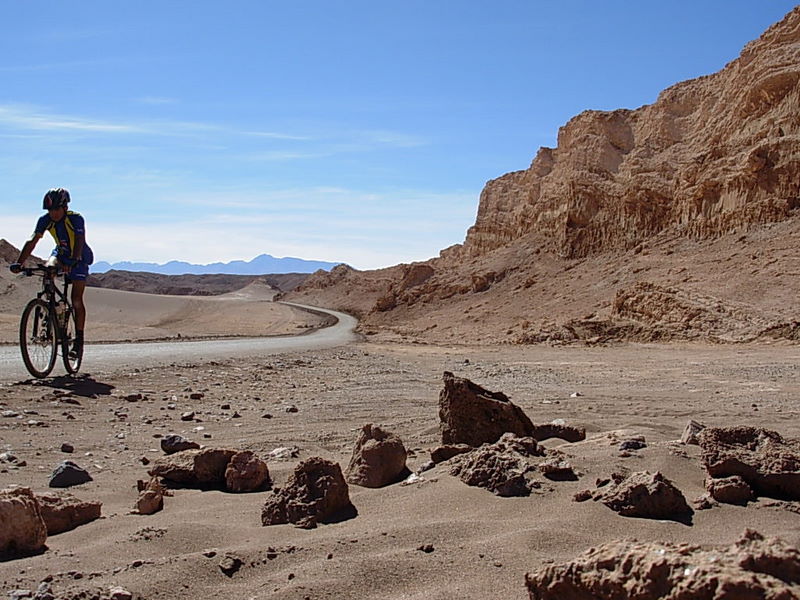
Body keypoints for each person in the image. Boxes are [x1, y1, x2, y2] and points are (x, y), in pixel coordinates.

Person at [9, 188, 94, 358]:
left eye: (56, 209)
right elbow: (32, 241)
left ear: (64, 206)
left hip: (80, 257)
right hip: (60, 253)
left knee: (76, 299)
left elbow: (79, 240)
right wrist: (20, 262)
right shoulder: (45, 220)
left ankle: (78, 342)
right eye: (50, 210)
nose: (53, 213)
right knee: (48, 267)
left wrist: (74, 260)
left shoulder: (75, 219)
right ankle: (52, 308)